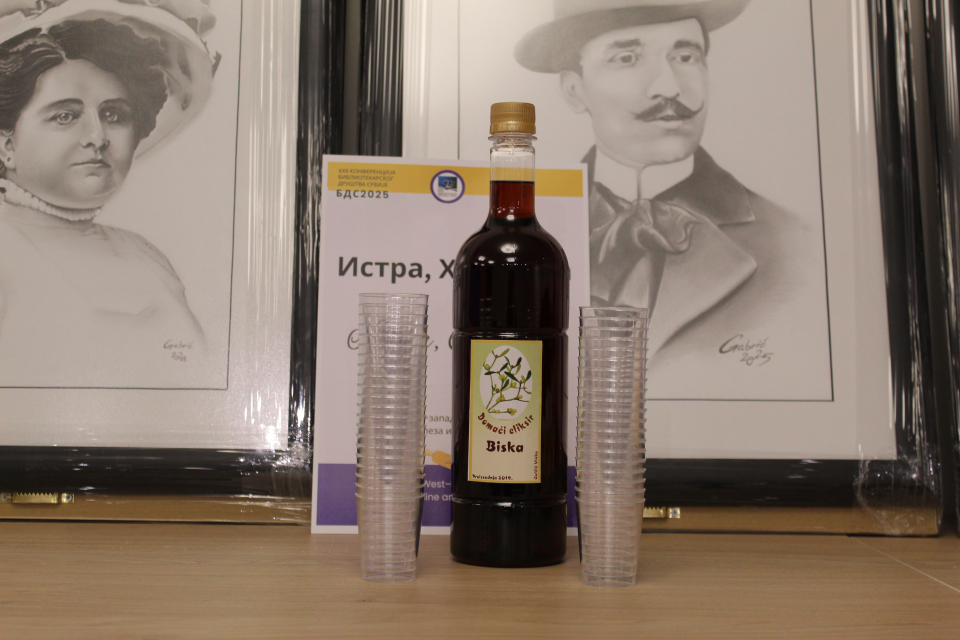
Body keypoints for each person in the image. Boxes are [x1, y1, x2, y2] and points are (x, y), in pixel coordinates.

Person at [515, 0, 829, 397]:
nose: (669, 86)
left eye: (685, 57)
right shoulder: (523, 234)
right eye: (627, 58)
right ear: (574, 91)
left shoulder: (795, 245)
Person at [0, 2, 217, 388]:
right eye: (65, 116)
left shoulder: (144, 254)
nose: (97, 137)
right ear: (6, 145)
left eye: (113, 115)